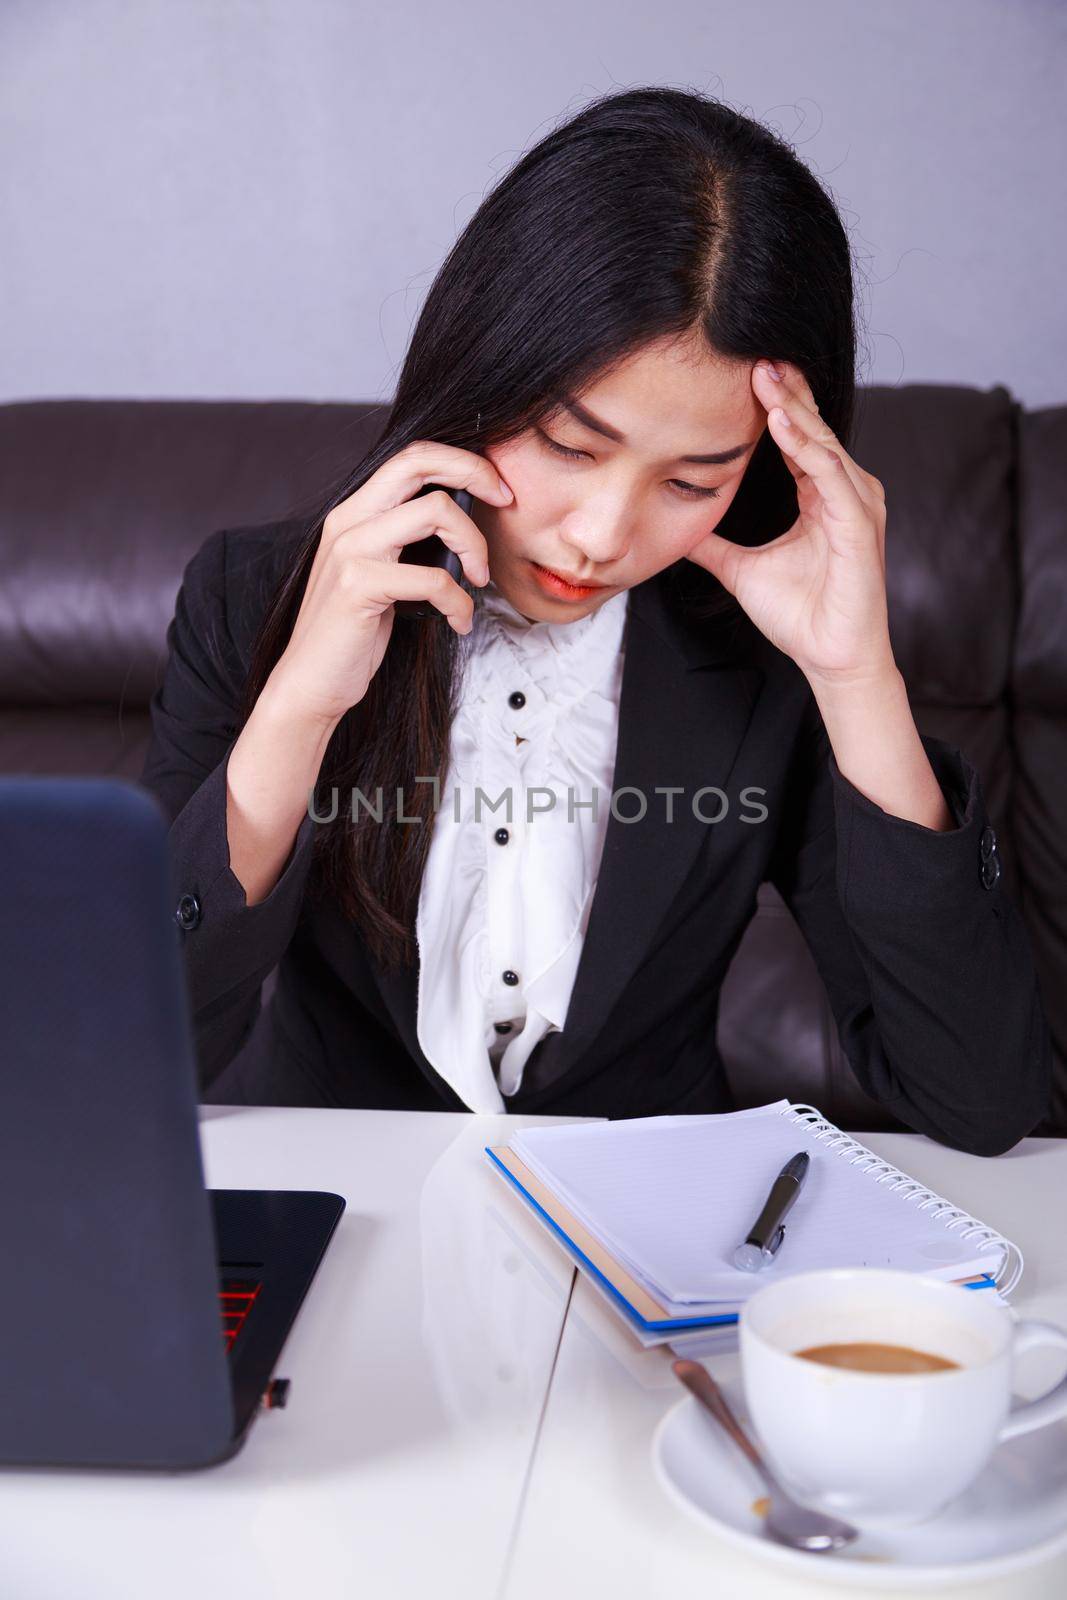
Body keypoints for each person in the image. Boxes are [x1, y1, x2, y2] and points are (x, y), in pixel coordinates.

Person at [140, 86, 1051, 1154]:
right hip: (338, 1208)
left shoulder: (764, 660)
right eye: (570, 447)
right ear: (482, 369)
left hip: (648, 1232)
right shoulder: (252, 595)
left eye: (691, 481)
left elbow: (979, 1102)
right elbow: (131, 1049)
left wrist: (857, 680)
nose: (600, 535)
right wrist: (298, 704)